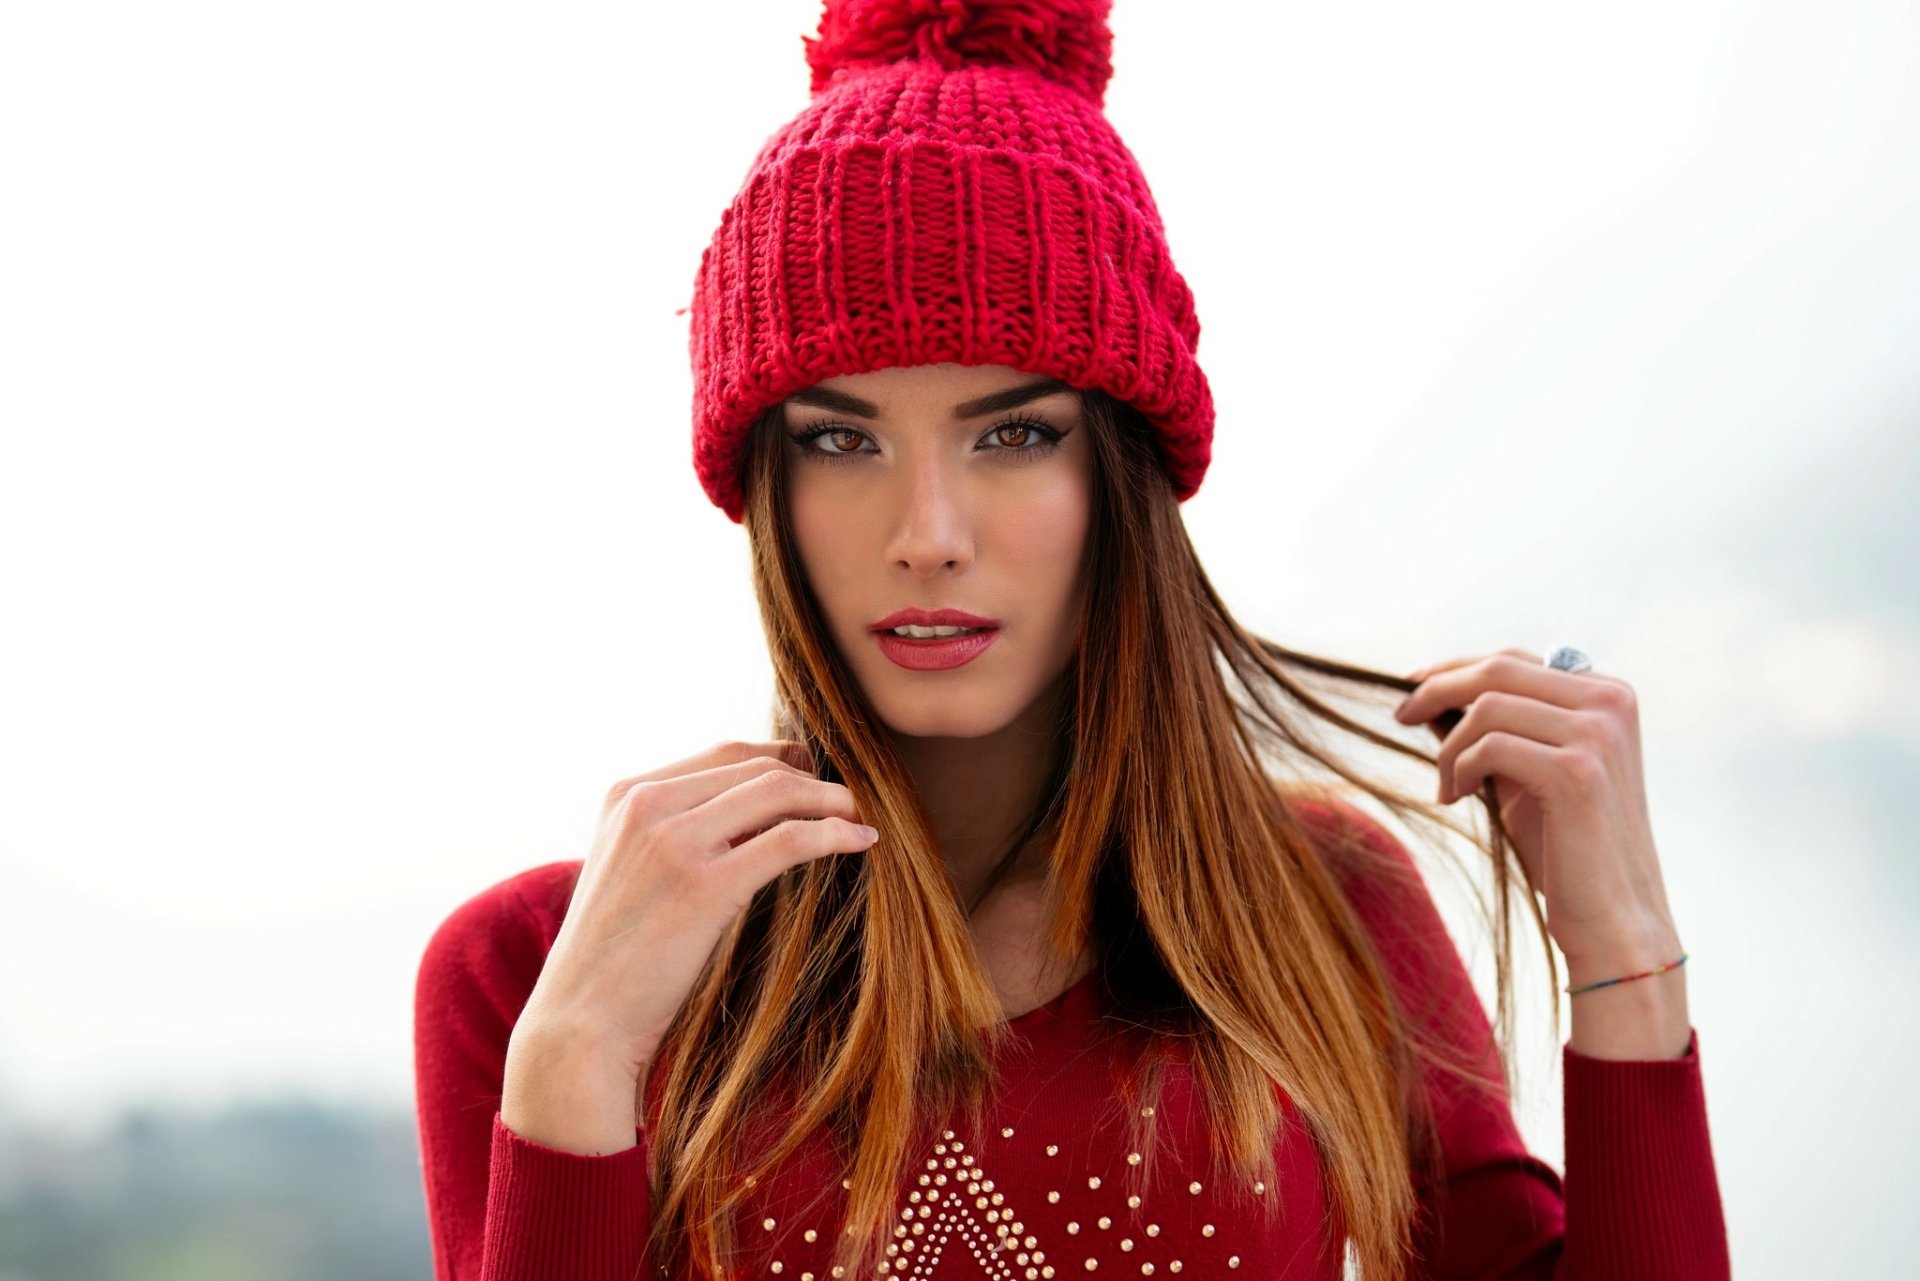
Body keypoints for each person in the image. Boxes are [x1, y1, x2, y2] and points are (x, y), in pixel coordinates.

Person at [412, 2, 1731, 1278]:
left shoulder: (1321, 908)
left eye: (1013, 434)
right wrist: (577, 1050)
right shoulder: (537, 971)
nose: (927, 531)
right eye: (839, 440)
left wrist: (1621, 942)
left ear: (1121, 475)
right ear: (765, 491)